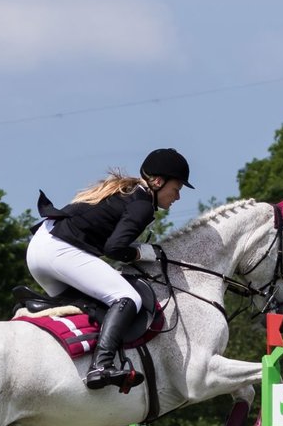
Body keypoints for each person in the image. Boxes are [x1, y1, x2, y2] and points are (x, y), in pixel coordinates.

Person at [26, 148, 193, 390]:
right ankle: (101, 366)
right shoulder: (142, 205)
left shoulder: (128, 192)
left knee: (91, 304)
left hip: (41, 248)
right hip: (59, 250)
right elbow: (114, 248)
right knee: (127, 297)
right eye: (176, 189)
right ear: (158, 182)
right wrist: (140, 253)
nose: (177, 197)